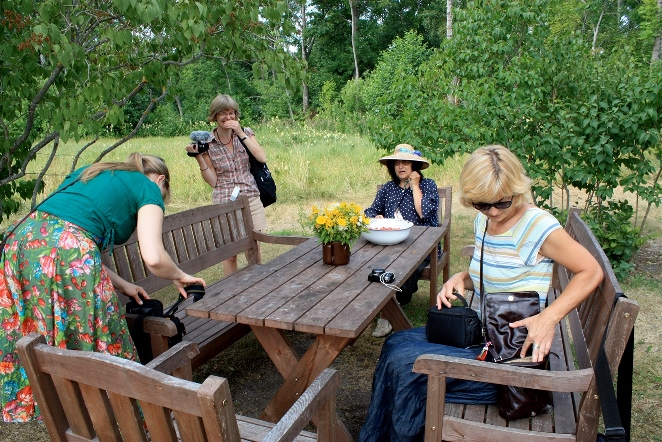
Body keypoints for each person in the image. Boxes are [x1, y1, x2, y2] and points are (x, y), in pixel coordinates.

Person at [358, 145, 603, 441]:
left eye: (502, 202)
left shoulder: (536, 225)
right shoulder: (484, 222)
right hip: (492, 335)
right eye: (483, 205)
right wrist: (462, 277)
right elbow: (500, 271)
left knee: (407, 366)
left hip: (514, 359)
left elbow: (591, 271)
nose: (494, 212)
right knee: (396, 343)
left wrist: (549, 317)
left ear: (516, 189)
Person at [0, 153, 206, 422]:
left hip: (20, 243)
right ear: (161, 180)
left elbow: (68, 236)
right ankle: (123, 412)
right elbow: (153, 257)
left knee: (40, 329)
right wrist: (179, 275)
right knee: (98, 330)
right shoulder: (148, 187)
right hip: (65, 248)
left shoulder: (93, 172)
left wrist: (123, 285)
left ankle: (65, 407)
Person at [186, 94, 267, 276]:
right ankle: (232, 293)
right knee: (229, 255)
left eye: (232, 113)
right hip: (225, 200)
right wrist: (199, 158)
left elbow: (262, 157)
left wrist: (240, 133)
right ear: (214, 116)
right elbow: (213, 181)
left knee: (253, 249)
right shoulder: (207, 142)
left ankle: (257, 287)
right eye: (223, 113)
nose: (228, 118)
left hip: (250, 197)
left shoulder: (246, 133)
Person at [364, 144, 439, 337]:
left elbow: (424, 213)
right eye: (397, 163)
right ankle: (376, 302)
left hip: (421, 243)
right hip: (391, 240)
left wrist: (415, 185)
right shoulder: (388, 188)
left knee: (405, 264)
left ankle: (388, 311)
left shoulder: (427, 185)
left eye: (406, 162)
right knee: (365, 259)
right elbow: (371, 210)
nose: (401, 166)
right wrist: (376, 217)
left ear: (414, 165)